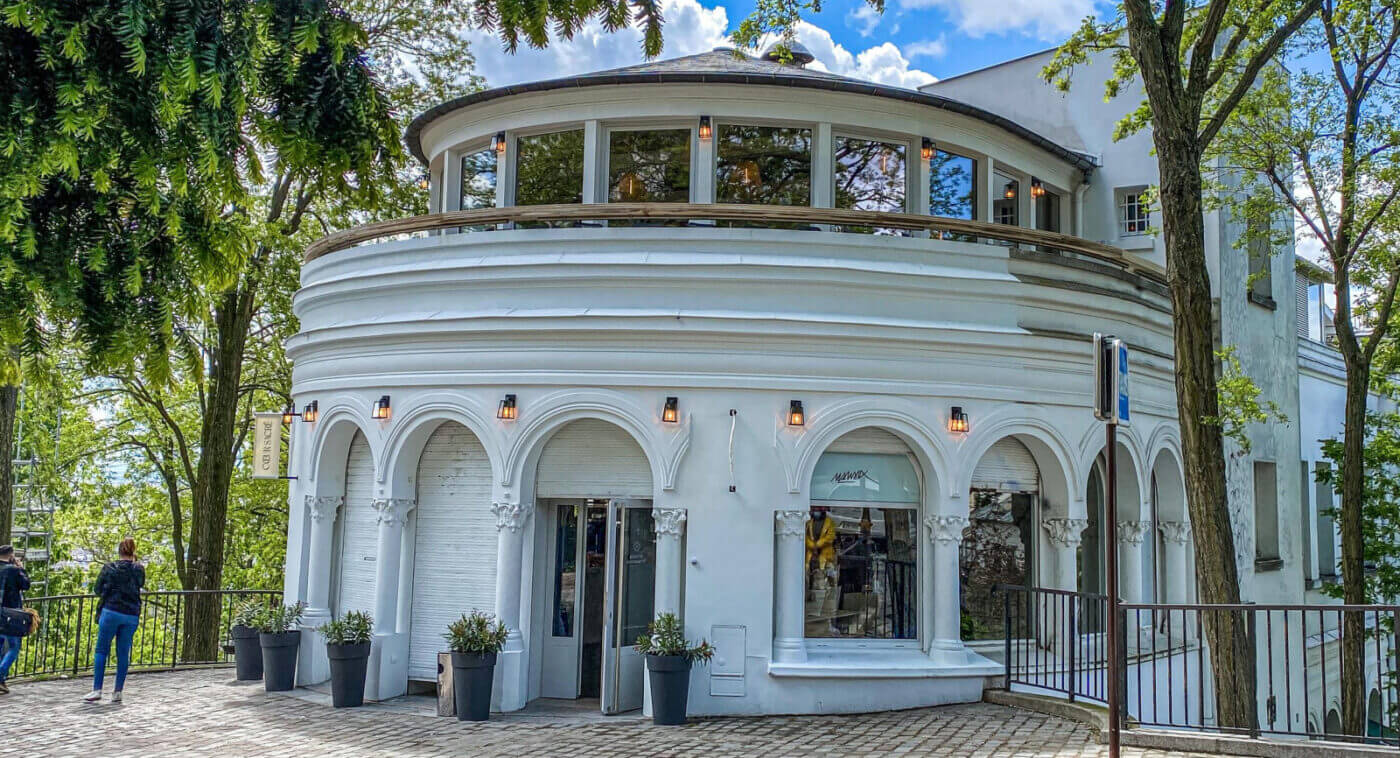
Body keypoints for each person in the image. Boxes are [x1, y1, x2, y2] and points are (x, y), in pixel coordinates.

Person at [84, 538, 145, 703]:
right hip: (131, 613)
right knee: (123, 653)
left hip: (111, 611)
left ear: (119, 551)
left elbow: (97, 589)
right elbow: (140, 583)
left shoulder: (109, 568)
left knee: (101, 650)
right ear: (133, 552)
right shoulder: (138, 569)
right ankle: (117, 691)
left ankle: (97, 690)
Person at [0, 544, 30, 694]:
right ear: (11, 555)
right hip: (11, 613)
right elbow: (26, 585)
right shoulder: (14, 570)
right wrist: (21, 568)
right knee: (14, 646)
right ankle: (0, 676)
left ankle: (2, 681)